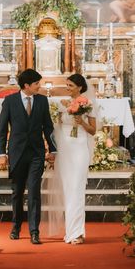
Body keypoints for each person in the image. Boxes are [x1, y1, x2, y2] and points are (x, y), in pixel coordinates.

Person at [0, 68, 57, 245]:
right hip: (16, 153)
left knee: (34, 192)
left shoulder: (42, 101)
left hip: (36, 153)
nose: (40, 86)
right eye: (37, 84)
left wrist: (52, 150)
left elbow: (48, 127)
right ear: (26, 85)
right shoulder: (9, 101)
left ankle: (34, 231)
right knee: (17, 193)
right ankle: (15, 227)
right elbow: (2, 130)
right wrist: (1, 153)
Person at [44, 74, 96, 244]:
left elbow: (93, 130)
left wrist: (81, 121)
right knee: (68, 190)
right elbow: (57, 127)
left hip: (80, 148)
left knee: (77, 189)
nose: (68, 88)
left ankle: (77, 233)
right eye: (67, 85)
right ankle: (71, 232)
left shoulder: (89, 105)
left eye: (71, 85)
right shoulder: (62, 104)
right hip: (65, 149)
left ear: (80, 87)